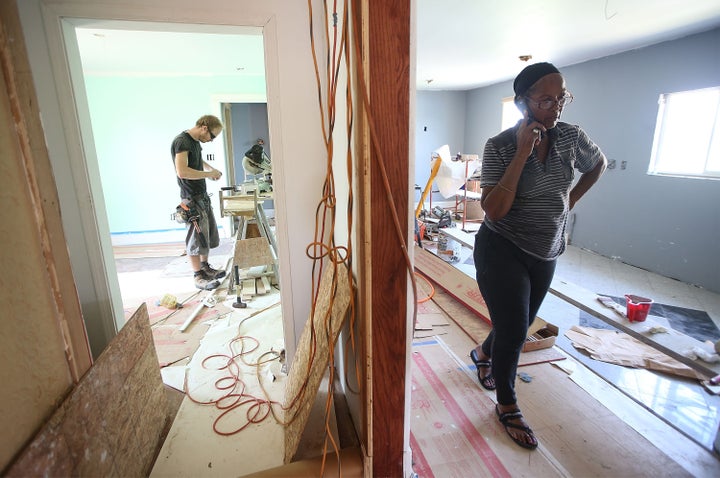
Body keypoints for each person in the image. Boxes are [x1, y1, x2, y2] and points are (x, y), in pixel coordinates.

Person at [469, 62, 607, 449]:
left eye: (562, 97)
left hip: (546, 249)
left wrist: (571, 199)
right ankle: (507, 404)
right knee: (514, 329)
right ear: (523, 103)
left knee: (522, 321)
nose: (557, 107)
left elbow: (598, 165)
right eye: (547, 99)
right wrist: (521, 153)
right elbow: (494, 209)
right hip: (502, 248)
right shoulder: (498, 146)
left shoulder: (570, 137)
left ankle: (482, 353)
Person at [171, 114, 226, 290]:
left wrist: (212, 169)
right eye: (212, 136)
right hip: (191, 198)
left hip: (201, 196)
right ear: (204, 127)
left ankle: (205, 268)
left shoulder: (194, 142)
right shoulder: (182, 141)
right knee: (195, 239)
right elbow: (183, 171)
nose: (211, 140)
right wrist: (209, 174)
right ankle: (197, 276)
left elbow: (197, 161)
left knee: (205, 235)